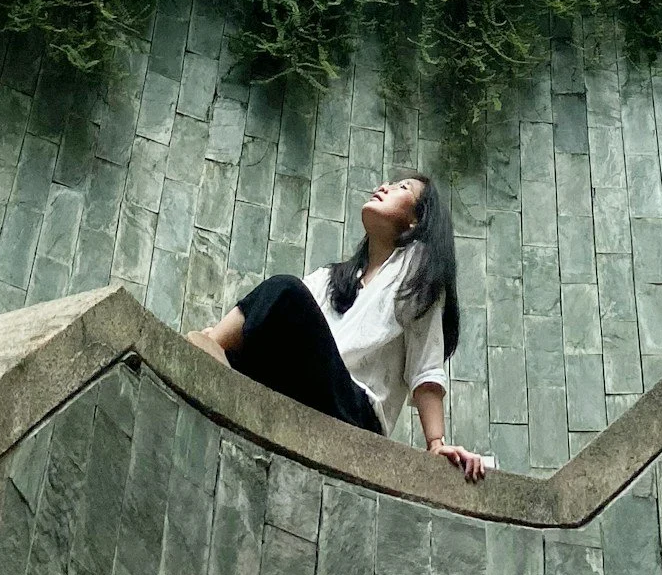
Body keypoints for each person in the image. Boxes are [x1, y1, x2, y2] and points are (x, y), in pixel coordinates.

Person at [188, 171, 486, 482]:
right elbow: (275, 315)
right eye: (388, 183)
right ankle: (213, 352)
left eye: (402, 188)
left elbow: (425, 369)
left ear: (416, 221)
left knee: (286, 290)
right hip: (310, 388)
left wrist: (435, 444)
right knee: (275, 313)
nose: (384, 187)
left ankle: (212, 348)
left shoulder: (416, 273)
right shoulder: (333, 278)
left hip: (355, 414)